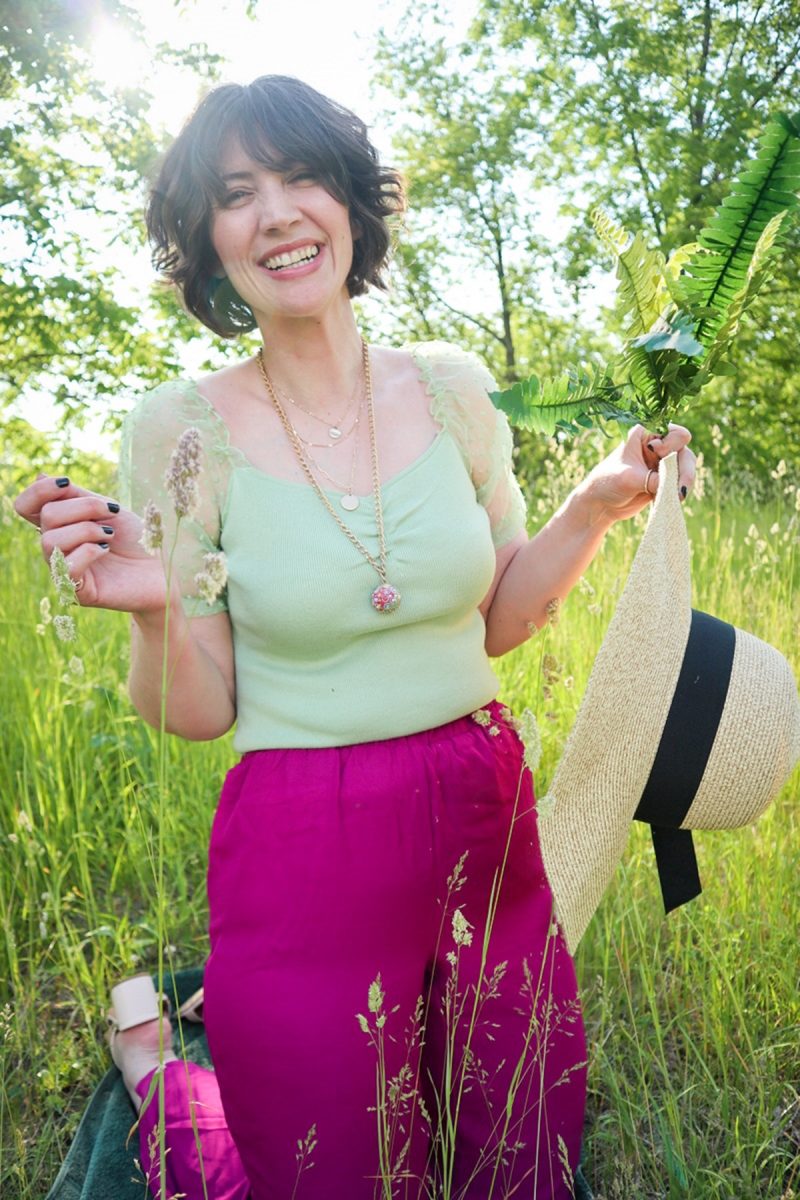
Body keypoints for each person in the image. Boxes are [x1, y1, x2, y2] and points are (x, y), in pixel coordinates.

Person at [15, 75, 695, 1200]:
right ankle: (157, 1073)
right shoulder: (181, 429)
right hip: (300, 841)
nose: (277, 212)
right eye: (237, 194)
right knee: (333, 1174)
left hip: (482, 809)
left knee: (515, 1151)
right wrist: (156, 612)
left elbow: (499, 620)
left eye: (301, 177)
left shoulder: (453, 391)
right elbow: (200, 713)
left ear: (349, 202)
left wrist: (594, 503)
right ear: (208, 240)